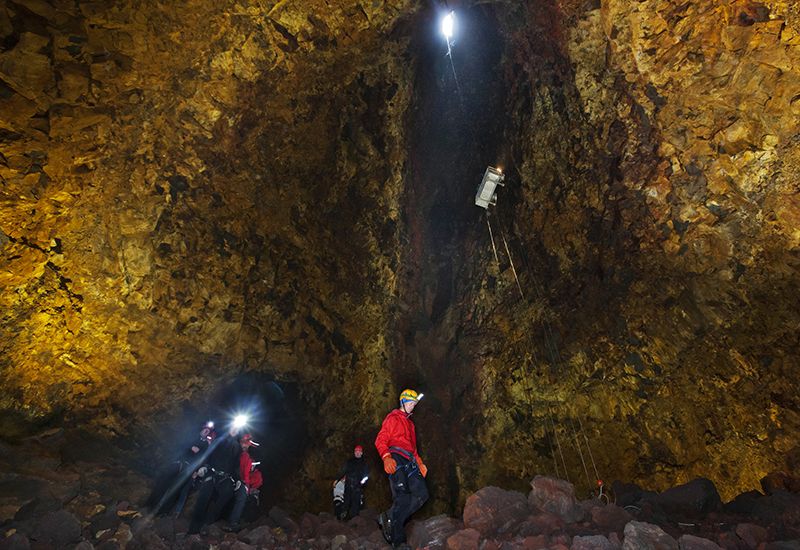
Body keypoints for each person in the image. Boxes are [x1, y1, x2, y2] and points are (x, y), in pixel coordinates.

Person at [374, 389, 429, 549]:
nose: (413, 406)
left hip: (410, 461)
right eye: (410, 403)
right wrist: (386, 457)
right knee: (402, 497)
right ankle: (398, 541)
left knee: (422, 494)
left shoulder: (410, 424)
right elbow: (380, 439)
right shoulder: (393, 418)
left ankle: (389, 516)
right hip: (396, 458)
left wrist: (419, 463)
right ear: (403, 402)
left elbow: (413, 448)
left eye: (414, 404)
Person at [146, 422, 216, 517]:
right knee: (163, 481)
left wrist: (196, 471)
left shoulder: (205, 445)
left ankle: (163, 512)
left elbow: (201, 458)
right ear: (202, 429)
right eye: (205, 429)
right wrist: (190, 447)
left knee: (176, 490)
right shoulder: (192, 436)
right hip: (178, 462)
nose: (206, 432)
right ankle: (150, 504)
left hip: (188, 468)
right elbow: (180, 445)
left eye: (208, 431)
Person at [188, 423, 242, 535]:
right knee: (203, 497)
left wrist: (237, 479)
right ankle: (193, 529)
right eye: (233, 428)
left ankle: (208, 523)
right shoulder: (218, 441)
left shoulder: (237, 447)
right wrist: (203, 466)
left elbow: (236, 465)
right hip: (212, 473)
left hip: (225, 477)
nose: (234, 430)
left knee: (227, 494)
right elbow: (208, 455)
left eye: (237, 429)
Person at [223, 433, 262, 532]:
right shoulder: (238, 452)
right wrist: (244, 484)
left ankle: (237, 522)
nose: (245, 445)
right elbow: (241, 471)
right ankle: (230, 521)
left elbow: (253, 479)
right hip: (232, 478)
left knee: (248, 499)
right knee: (236, 496)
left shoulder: (248, 457)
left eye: (246, 444)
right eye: (243, 443)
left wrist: (249, 488)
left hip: (242, 483)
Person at [338, 444, 369, 520]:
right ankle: (343, 516)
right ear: (354, 452)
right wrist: (337, 479)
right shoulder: (349, 462)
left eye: (359, 451)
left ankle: (354, 520)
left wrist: (361, 484)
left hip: (357, 486)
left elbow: (366, 476)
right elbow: (343, 471)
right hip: (348, 484)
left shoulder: (364, 463)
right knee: (346, 501)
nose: (357, 453)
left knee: (355, 504)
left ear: (361, 453)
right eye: (356, 451)